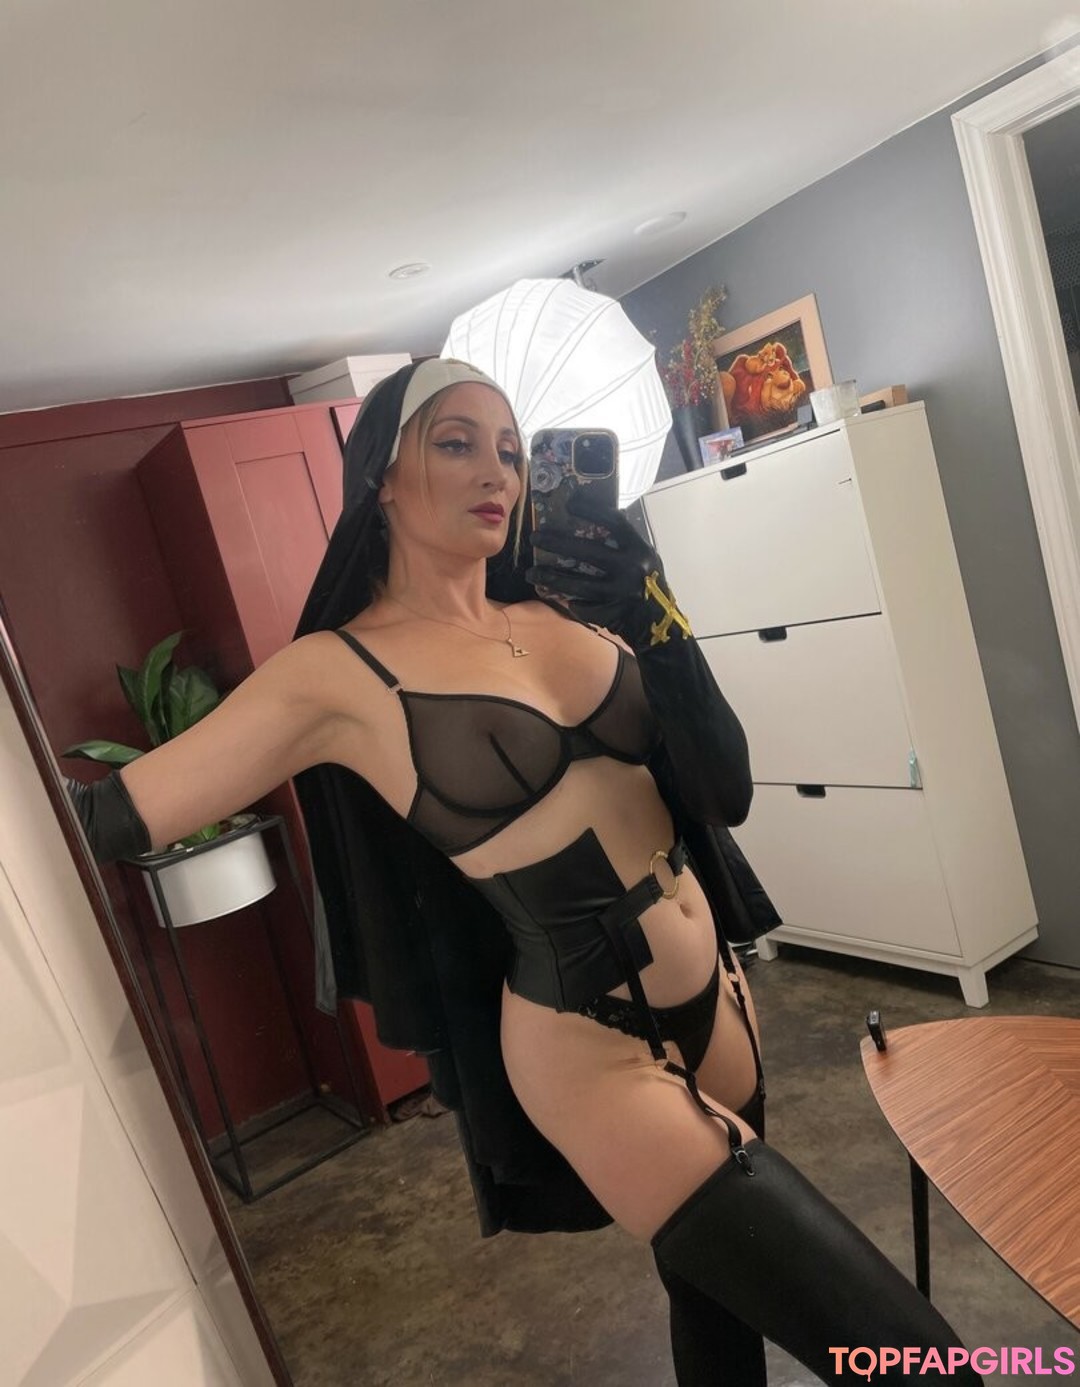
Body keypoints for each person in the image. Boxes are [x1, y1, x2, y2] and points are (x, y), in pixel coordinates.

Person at [70, 358, 981, 1385]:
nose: (495, 472)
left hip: (721, 998)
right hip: (587, 1042)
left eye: (510, 450)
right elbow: (103, 816)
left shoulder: (573, 606)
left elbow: (724, 790)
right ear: (381, 477)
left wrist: (655, 610)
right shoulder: (336, 673)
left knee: (716, 1303)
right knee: (917, 1358)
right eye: (456, 443)